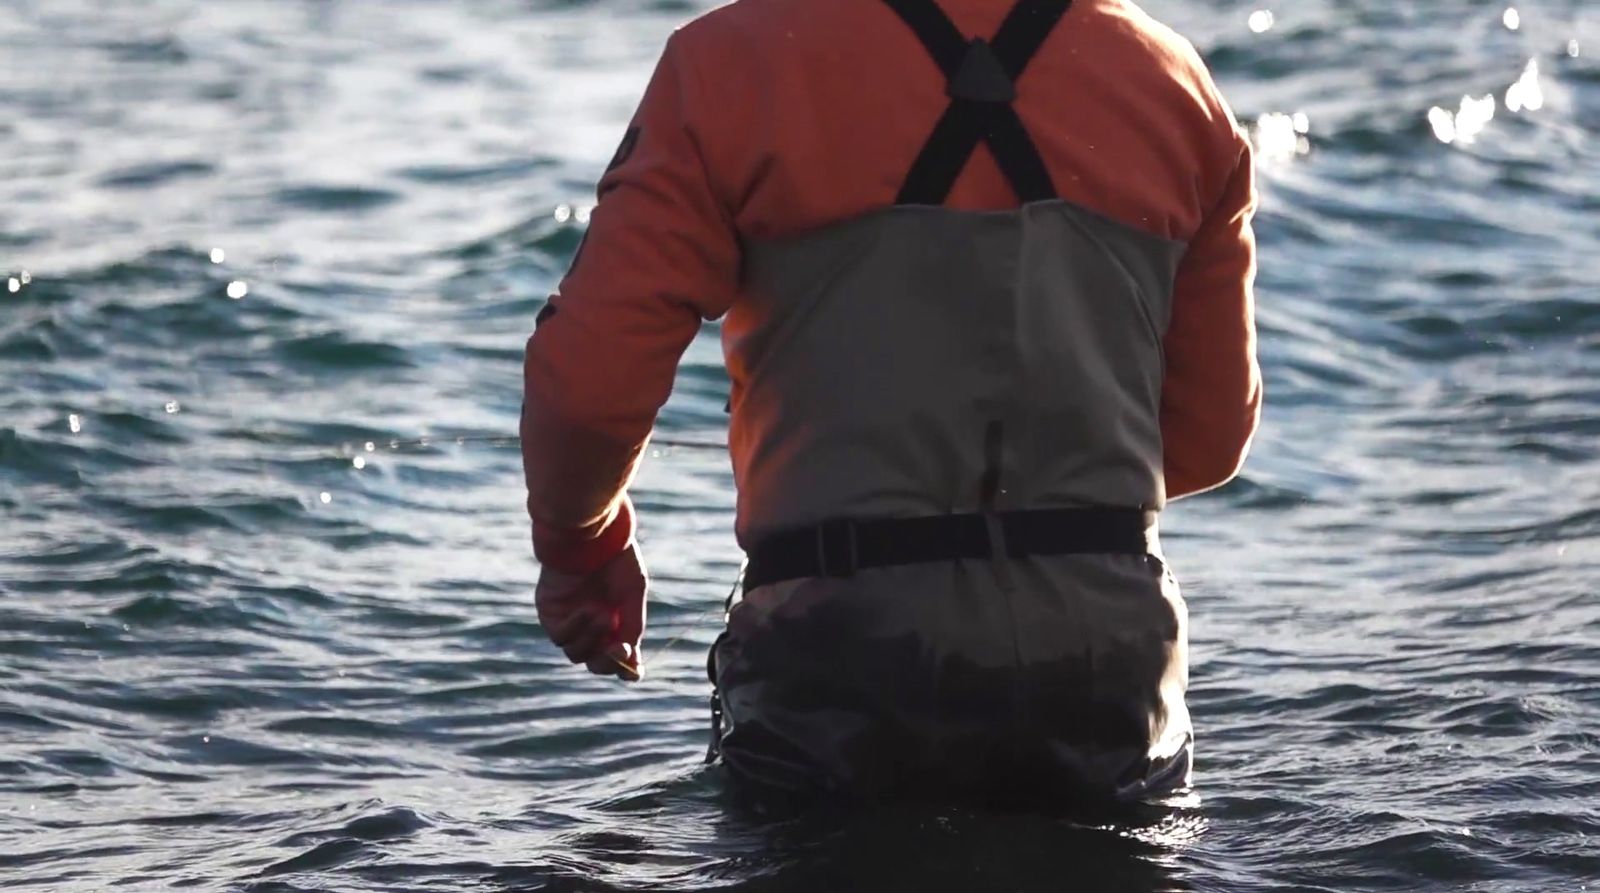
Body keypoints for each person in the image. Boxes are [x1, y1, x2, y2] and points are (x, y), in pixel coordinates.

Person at [523, 0, 1261, 803]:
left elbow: (585, 392)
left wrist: (581, 548)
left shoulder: (736, 63)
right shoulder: (1173, 81)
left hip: (842, 662)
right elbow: (1206, 438)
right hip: (1107, 665)